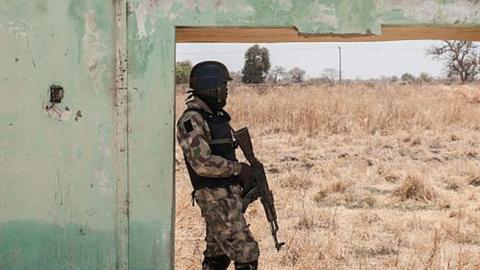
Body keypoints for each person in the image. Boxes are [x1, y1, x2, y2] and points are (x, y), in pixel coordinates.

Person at [176, 61, 260, 270]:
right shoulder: (192, 120)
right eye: (224, 87)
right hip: (215, 198)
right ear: (210, 87)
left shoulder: (215, 117)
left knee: (218, 255)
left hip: (225, 196)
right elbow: (202, 163)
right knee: (246, 252)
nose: (226, 92)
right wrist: (239, 169)